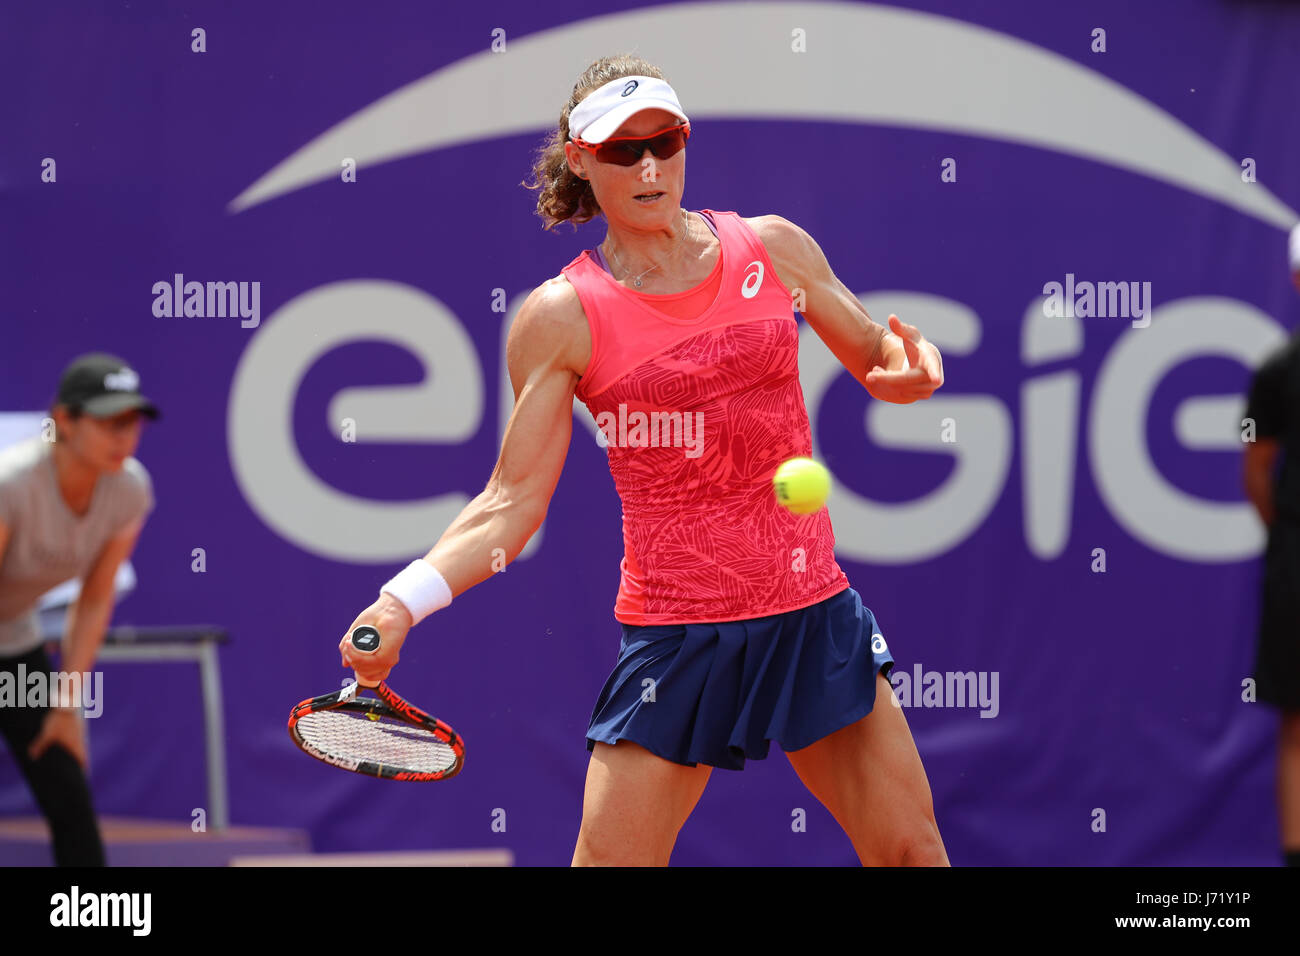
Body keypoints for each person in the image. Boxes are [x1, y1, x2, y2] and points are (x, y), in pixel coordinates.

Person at [339, 54, 949, 866]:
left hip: (810, 610)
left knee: (913, 854)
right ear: (583, 160)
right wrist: (400, 602)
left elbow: (881, 353)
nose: (650, 166)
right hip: (676, 637)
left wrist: (916, 372)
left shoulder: (775, 250)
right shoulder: (562, 317)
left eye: (664, 141)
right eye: (624, 151)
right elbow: (509, 501)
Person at [0, 353, 157, 866]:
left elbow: (94, 599)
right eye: (109, 420)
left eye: (131, 421)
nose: (124, 434)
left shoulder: (129, 490)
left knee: (66, 787)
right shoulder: (11, 485)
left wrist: (67, 704)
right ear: (63, 421)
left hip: (12, 641)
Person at [1242, 222, 1300, 867]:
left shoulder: (1277, 369)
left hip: (1292, 554)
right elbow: (1258, 467)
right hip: (1295, 557)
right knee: (1297, 720)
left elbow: (1257, 472)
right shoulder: (1279, 372)